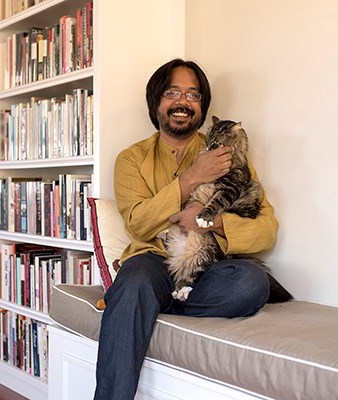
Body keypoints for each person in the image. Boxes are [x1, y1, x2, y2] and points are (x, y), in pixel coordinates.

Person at [94, 58, 278, 400]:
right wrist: (193, 176)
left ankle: (156, 303)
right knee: (135, 282)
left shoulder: (227, 153)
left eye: (193, 95)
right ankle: (145, 300)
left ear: (202, 106)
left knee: (252, 282)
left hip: (207, 265)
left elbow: (266, 229)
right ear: (156, 102)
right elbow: (138, 222)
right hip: (153, 262)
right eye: (172, 92)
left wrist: (213, 220)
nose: (183, 101)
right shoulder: (131, 158)